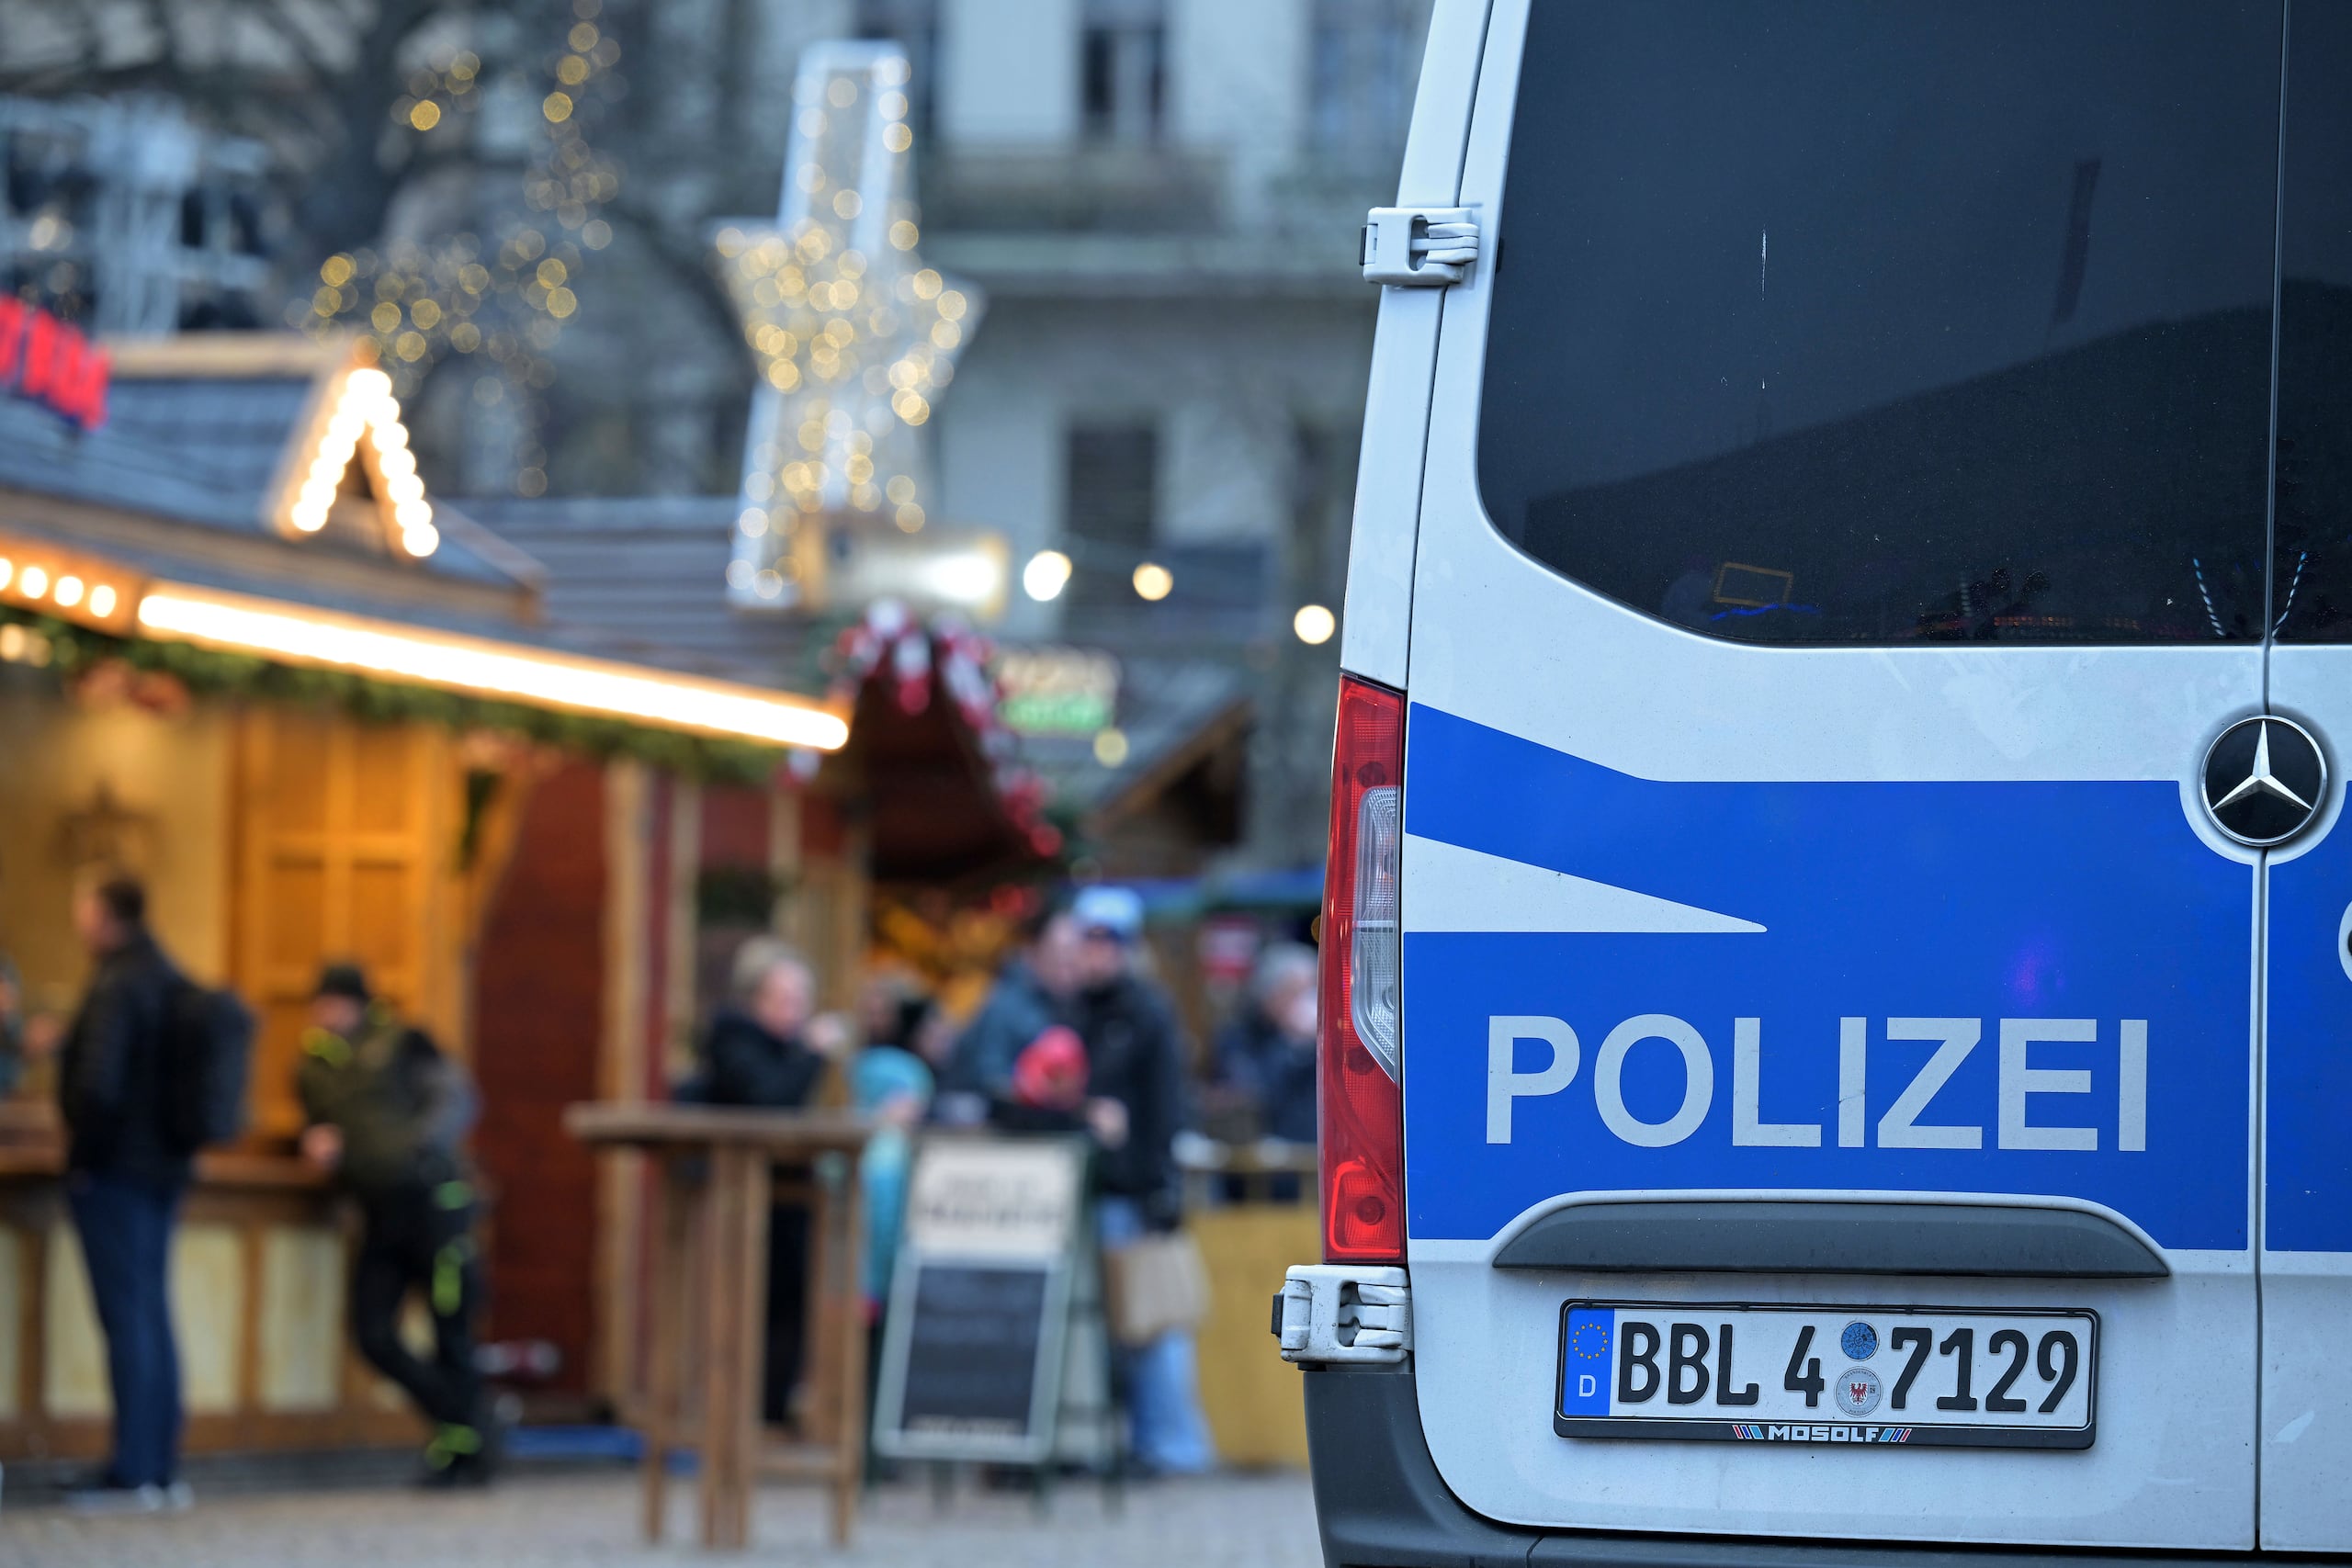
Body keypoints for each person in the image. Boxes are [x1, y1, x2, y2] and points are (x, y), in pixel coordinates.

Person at [296, 962, 494, 1487]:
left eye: (333, 1002)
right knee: (373, 1331)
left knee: (451, 1329)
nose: (325, 1013)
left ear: (355, 1003)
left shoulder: (403, 1041)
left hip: (435, 1205)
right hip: (379, 1212)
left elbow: (457, 1099)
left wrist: (412, 1153)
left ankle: (466, 1450)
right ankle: (465, 1421)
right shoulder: (314, 1064)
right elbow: (319, 1123)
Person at [54, 872, 192, 1511]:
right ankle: (158, 1467)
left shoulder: (117, 983)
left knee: (129, 1317)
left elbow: (99, 1086)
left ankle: (132, 1469)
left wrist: (81, 1159)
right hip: (163, 1168)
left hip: (116, 1171)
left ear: (106, 915)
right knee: (152, 1313)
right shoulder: (166, 975)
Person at [1068, 885, 1215, 1476]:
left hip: (1135, 1190)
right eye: (1089, 939)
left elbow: (1165, 1107)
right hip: (1101, 1187)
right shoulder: (1079, 1008)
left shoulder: (1146, 1011)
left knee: (1153, 1320)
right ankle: (1138, 1440)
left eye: (1107, 940)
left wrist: (1161, 1187)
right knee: (1118, 1325)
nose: (1095, 951)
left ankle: (1172, 1446)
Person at [699, 938, 828, 1425]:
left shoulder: (785, 1048)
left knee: (790, 1306)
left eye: (801, 1001)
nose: (795, 1012)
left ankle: (771, 1409)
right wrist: (812, 1056)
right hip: (739, 1200)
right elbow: (770, 1104)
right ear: (755, 998)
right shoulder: (737, 1040)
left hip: (788, 1195)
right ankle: (735, 1410)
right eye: (785, 999)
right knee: (744, 1308)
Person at [939, 910, 1083, 1122]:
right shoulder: (1007, 1004)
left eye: (1073, 958)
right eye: (1059, 956)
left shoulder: (1067, 1005)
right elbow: (990, 1078)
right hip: (982, 1133)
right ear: (1033, 953)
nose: (1067, 969)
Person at [1213, 943, 1320, 1145]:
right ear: (1271, 993)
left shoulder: (1319, 1041)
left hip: (1308, 1157)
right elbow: (1255, 1094)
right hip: (1256, 1164)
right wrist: (1292, 1047)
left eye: (1312, 990)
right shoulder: (1240, 1036)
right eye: (1295, 992)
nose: (1306, 1002)